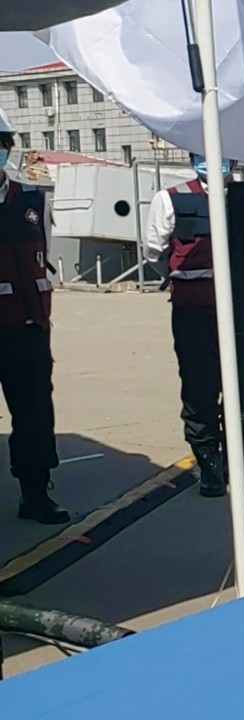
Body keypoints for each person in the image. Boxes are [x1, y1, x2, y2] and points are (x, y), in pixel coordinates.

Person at [143, 152, 233, 497]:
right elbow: (155, 251)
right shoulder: (171, 199)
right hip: (194, 311)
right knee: (200, 387)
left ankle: (238, 460)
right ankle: (209, 464)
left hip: (240, 313)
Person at [0, 107, 67, 524]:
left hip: (27, 329)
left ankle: (36, 493)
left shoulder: (32, 200)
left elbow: (50, 257)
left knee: (34, 414)